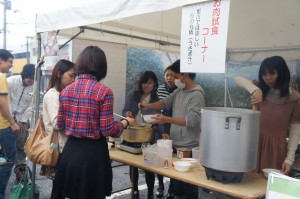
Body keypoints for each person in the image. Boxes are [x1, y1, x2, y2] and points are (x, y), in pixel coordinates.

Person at [54, 46, 135, 199]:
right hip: (93, 155)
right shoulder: (104, 92)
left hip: (70, 152)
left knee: (72, 195)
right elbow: (108, 130)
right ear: (101, 67)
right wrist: (125, 123)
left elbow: (60, 124)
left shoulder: (65, 91)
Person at [140, 59, 205, 199]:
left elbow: (193, 120)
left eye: (176, 77)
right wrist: (148, 106)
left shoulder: (197, 95)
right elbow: (165, 102)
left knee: (188, 189)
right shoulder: (180, 91)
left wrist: (167, 119)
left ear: (185, 75)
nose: (174, 80)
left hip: (188, 149)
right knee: (177, 189)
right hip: (176, 145)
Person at [234, 56, 300, 175]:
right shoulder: (260, 89)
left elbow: (295, 131)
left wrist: (289, 160)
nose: (267, 78)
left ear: (282, 73)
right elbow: (237, 79)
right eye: (264, 74)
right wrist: (254, 89)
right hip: (254, 143)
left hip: (275, 149)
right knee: (249, 182)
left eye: (272, 73)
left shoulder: (294, 99)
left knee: (266, 186)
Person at [122, 70, 161, 199]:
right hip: (133, 133)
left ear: (154, 84)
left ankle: (150, 192)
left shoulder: (156, 99)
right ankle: (135, 190)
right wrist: (127, 114)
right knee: (133, 165)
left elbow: (158, 118)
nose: (146, 85)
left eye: (149, 83)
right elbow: (124, 111)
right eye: (144, 82)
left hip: (148, 135)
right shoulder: (133, 95)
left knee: (149, 166)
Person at [40, 59, 76, 199]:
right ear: (59, 73)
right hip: (59, 147)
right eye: (71, 76)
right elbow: (57, 123)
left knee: (60, 188)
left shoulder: (60, 94)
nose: (73, 79)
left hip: (63, 146)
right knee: (59, 189)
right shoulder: (52, 95)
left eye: (75, 76)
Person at [7, 64, 35, 181]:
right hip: (6, 119)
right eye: (30, 77)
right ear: (24, 75)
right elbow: (5, 102)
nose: (31, 81)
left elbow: (31, 105)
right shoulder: (10, 81)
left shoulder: (34, 86)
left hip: (22, 121)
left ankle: (20, 172)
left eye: (34, 78)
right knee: (5, 148)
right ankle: (5, 170)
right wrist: (12, 121)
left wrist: (23, 121)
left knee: (21, 148)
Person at [0, 49, 20, 199]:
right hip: (2, 127)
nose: (11, 65)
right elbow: (1, 102)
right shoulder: (1, 77)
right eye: (10, 62)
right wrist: (12, 123)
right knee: (7, 163)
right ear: (1, 60)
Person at [155, 65, 177, 198]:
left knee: (173, 159)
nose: (169, 78)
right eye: (167, 75)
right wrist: (162, 130)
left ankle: (172, 188)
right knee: (161, 158)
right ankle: (161, 185)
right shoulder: (159, 90)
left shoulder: (181, 90)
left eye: (172, 75)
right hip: (161, 127)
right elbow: (157, 111)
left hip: (175, 127)